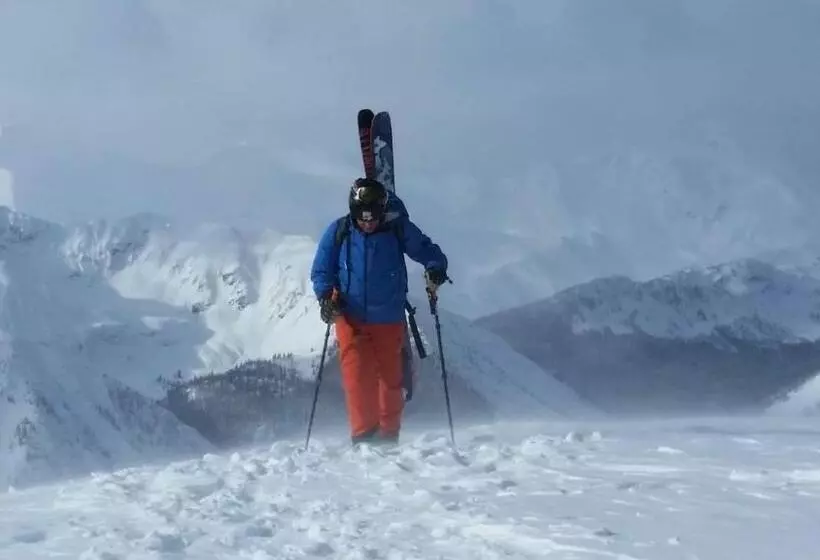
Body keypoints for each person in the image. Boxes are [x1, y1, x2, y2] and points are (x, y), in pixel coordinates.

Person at [310, 177, 448, 446]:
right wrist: (326, 298)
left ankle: (388, 439)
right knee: (357, 378)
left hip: (388, 317)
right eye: (362, 218)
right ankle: (364, 438)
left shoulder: (397, 228)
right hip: (350, 317)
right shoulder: (339, 231)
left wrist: (435, 267)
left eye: (373, 217)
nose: (368, 223)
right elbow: (321, 270)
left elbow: (426, 249)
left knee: (390, 381)